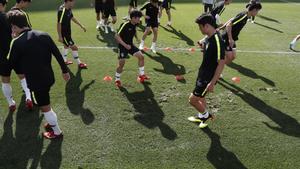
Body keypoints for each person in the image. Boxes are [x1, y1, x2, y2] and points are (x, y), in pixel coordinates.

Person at [7, 10, 70, 139]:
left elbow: (10, 63)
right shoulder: (44, 34)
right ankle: (51, 122)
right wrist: (64, 70)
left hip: (36, 81)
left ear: (14, 26)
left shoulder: (17, 42)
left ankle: (57, 132)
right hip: (49, 77)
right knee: (44, 101)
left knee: (44, 106)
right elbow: (57, 54)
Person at [188, 13, 225, 128]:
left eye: (200, 27)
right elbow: (209, 55)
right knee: (201, 97)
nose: (199, 29)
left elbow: (221, 63)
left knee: (192, 100)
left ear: (207, 26)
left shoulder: (217, 41)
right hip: (203, 72)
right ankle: (202, 116)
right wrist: (204, 48)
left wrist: (212, 82)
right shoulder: (209, 37)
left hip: (208, 77)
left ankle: (206, 115)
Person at [0, 0, 33, 112]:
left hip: (1, 56)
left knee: (5, 80)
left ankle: (10, 103)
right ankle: (29, 97)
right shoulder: (8, 17)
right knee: (23, 76)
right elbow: (17, 32)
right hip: (14, 51)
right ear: (2, 5)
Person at [115, 10, 150, 87]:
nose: (139, 19)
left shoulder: (135, 24)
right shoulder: (125, 24)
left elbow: (133, 31)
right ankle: (117, 80)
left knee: (141, 57)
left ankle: (141, 75)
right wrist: (125, 45)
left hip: (130, 45)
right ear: (133, 18)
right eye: (138, 18)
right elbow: (116, 36)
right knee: (121, 64)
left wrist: (137, 38)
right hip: (123, 46)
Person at [57, 0, 88, 69]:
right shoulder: (62, 11)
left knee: (66, 46)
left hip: (68, 33)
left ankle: (64, 61)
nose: (74, 3)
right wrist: (60, 36)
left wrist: (81, 25)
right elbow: (59, 24)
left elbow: (72, 17)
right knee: (75, 48)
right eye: (73, 2)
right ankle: (79, 63)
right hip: (64, 35)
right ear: (68, 1)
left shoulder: (69, 8)